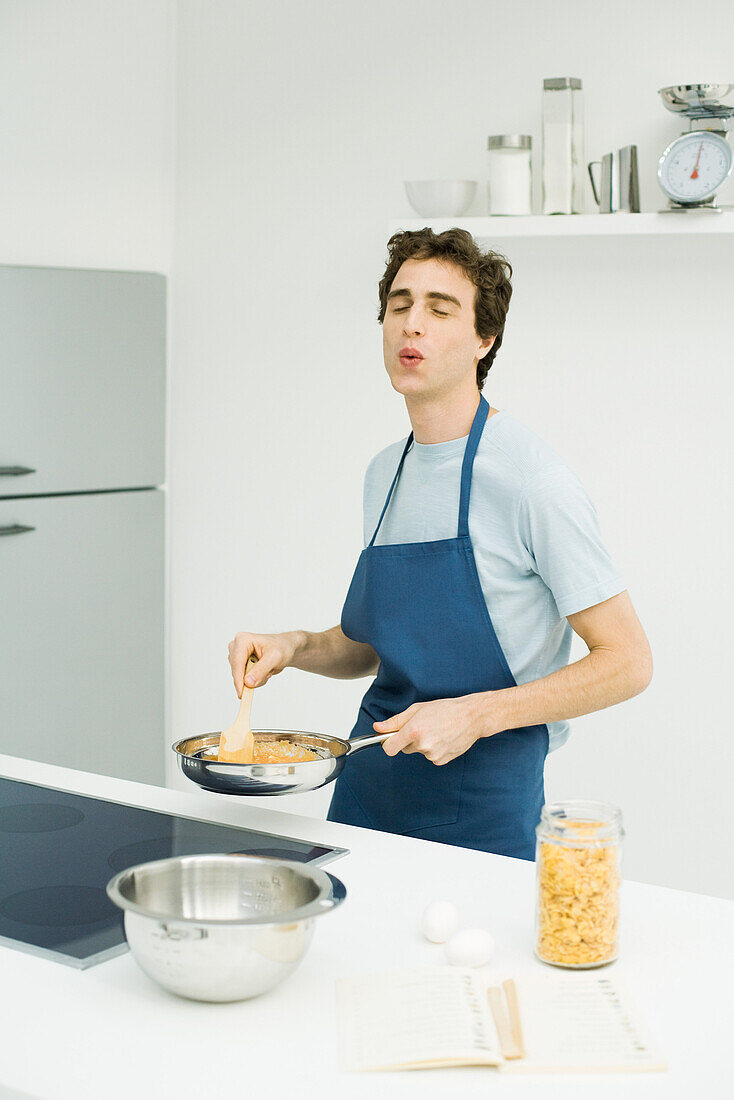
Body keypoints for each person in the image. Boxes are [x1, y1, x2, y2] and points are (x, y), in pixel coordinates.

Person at [228, 227, 652, 859]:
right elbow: (375, 646)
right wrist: (294, 647)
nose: (411, 326)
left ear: (485, 340)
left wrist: (473, 715)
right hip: (369, 786)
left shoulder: (530, 479)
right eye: (399, 306)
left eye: (439, 308)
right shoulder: (384, 471)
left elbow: (627, 661)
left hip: (482, 801)